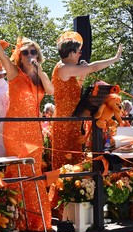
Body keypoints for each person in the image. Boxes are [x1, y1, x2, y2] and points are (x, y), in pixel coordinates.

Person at [0, 19, 54, 232]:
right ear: (19, 57)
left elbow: (50, 91)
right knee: (18, 171)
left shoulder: (41, 76)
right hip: (15, 132)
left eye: (33, 51)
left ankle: (38, 222)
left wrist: (39, 71)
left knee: (35, 173)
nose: (30, 55)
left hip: (35, 134)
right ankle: (17, 222)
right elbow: (2, 58)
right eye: (25, 52)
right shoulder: (13, 74)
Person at [50, 31, 123, 170]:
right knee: (64, 164)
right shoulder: (63, 68)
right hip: (64, 122)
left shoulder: (67, 70)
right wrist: (114, 59)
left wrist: (82, 74)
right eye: (78, 52)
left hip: (73, 121)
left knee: (75, 162)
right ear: (71, 53)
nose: (80, 54)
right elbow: (93, 67)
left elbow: (74, 90)